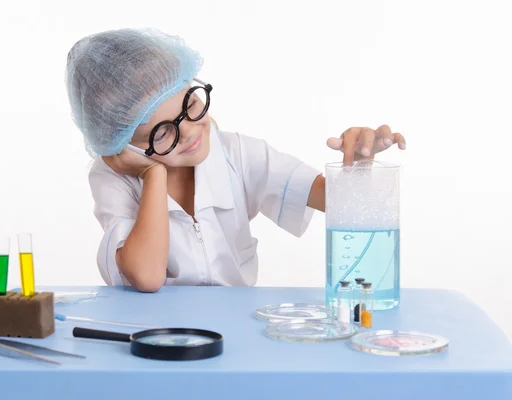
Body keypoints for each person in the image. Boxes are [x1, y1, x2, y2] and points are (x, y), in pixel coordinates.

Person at [65, 28, 406, 292]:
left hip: (234, 334)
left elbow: (339, 201)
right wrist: (153, 175)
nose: (189, 132)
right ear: (123, 146)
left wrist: (360, 162)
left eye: (191, 106)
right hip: (157, 338)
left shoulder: (237, 154)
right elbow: (146, 275)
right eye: (162, 133)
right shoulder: (114, 178)